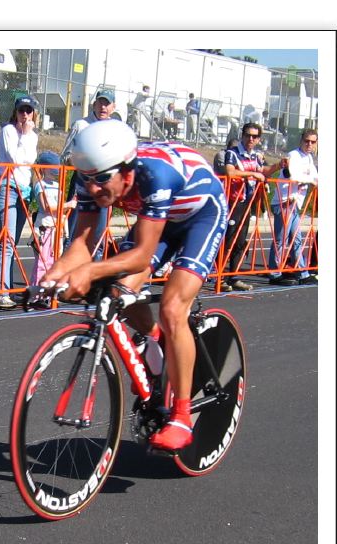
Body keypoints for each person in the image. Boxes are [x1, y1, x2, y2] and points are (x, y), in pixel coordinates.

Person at [41, 119, 228, 452]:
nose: (93, 189)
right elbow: (82, 244)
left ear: (127, 173)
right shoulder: (93, 177)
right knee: (117, 291)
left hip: (201, 217)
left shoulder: (155, 175)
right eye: (86, 179)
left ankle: (182, 417)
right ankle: (157, 344)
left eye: (101, 179)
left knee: (172, 309)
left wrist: (89, 272)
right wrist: (51, 277)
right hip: (160, 220)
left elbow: (141, 256)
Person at [0, 95, 39, 309]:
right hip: (7, 186)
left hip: (23, 190)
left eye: (29, 111)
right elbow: (15, 158)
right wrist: (24, 135)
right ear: (15, 112)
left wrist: (27, 136)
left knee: (13, 242)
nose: (25, 115)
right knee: (6, 241)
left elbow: (30, 160)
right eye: (21, 110)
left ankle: (6, 289)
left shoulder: (33, 136)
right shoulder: (8, 131)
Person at [222, 122, 284, 291]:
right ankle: (219, 276)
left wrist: (278, 165)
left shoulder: (255, 156)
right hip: (233, 201)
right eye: (248, 135)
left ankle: (233, 277)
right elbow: (230, 172)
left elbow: (263, 171)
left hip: (247, 202)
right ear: (242, 136)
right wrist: (252, 174)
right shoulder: (233, 153)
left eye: (254, 136)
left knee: (240, 241)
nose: (251, 139)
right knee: (228, 240)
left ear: (258, 139)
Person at [60, 88, 117, 252]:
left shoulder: (115, 129)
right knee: (73, 236)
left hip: (105, 185)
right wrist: (84, 159)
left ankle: (93, 268)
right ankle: (68, 267)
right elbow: (64, 157)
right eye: (100, 102)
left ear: (113, 107)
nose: (103, 107)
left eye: (107, 103)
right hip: (82, 183)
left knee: (98, 240)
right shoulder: (81, 125)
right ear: (94, 104)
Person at [267, 129, 319, 286]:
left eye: (312, 142)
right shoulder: (293, 155)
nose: (309, 144)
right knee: (281, 240)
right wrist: (310, 180)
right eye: (307, 141)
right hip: (284, 202)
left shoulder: (308, 158)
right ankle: (275, 274)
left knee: (297, 239)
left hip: (295, 203)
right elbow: (294, 176)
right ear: (301, 140)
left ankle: (302, 273)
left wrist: (310, 180)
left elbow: (316, 177)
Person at [29, 151, 74, 290]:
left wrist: (68, 206)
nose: (56, 170)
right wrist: (67, 205)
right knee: (42, 263)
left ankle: (48, 291)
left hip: (57, 227)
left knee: (54, 262)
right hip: (45, 226)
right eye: (52, 167)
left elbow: (61, 208)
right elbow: (46, 207)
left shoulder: (57, 185)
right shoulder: (40, 185)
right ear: (44, 168)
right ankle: (37, 291)